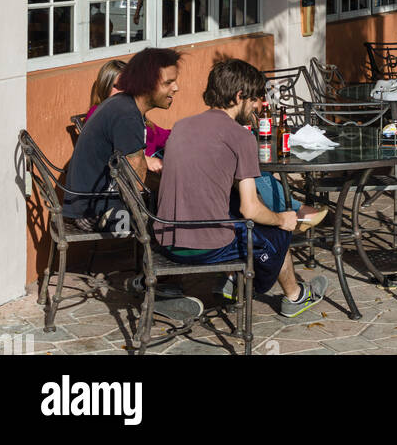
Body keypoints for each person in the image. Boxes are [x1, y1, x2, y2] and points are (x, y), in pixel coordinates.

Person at [157, 58, 328, 316]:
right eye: (257, 98)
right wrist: (282, 219)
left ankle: (231, 282)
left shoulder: (180, 127)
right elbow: (251, 210)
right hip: (204, 248)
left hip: (166, 241)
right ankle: (294, 297)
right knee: (277, 224)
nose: (260, 105)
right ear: (239, 96)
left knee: (240, 212)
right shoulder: (241, 137)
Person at [63, 48, 181, 229]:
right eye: (168, 82)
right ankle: (157, 256)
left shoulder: (123, 107)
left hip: (91, 205)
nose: (176, 88)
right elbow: (136, 187)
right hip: (93, 213)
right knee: (170, 216)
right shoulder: (126, 115)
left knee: (169, 207)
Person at [84, 58, 170, 171]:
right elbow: (104, 150)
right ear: (105, 86)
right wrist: (146, 160)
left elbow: (158, 134)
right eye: (118, 86)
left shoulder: (129, 110)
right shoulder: (98, 114)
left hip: (159, 156)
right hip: (142, 171)